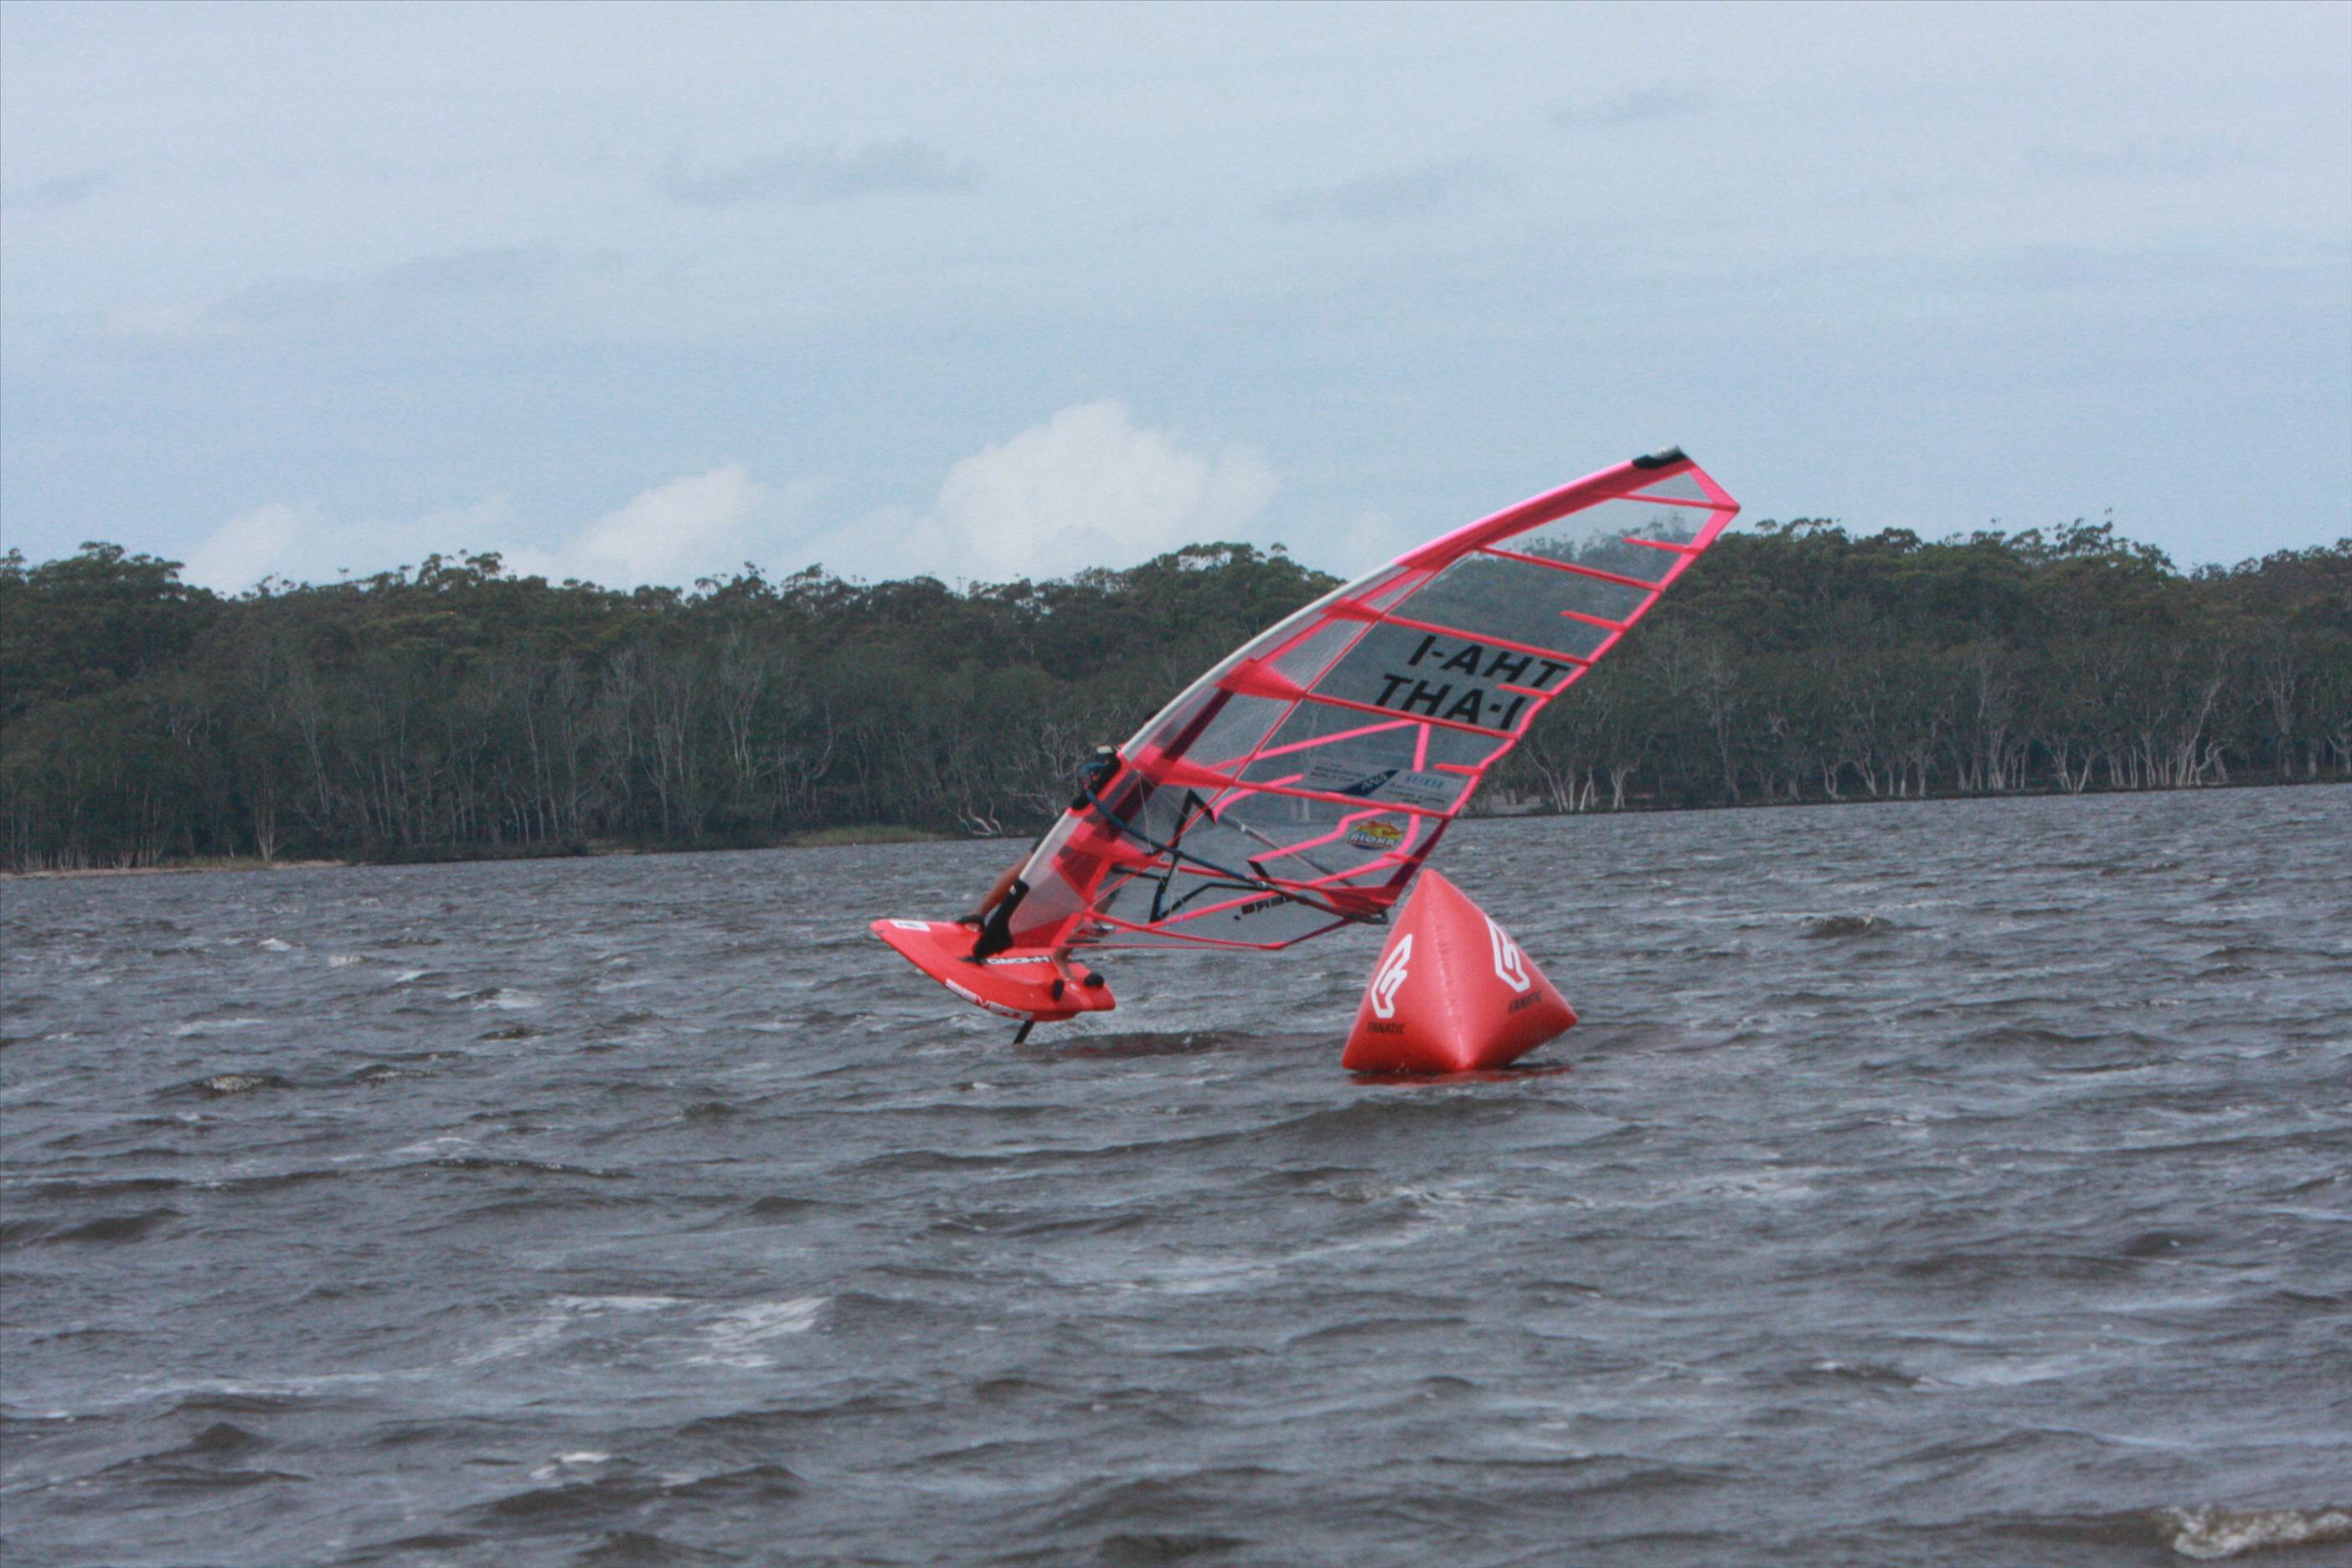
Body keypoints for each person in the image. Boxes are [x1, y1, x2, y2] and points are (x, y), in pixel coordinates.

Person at [957, 745, 1123, 989]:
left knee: (1107, 894)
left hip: (1119, 838)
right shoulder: (1123, 754)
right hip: (1083, 822)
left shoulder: (1163, 765)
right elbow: (1089, 777)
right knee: (1031, 867)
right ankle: (979, 914)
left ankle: (1061, 954)